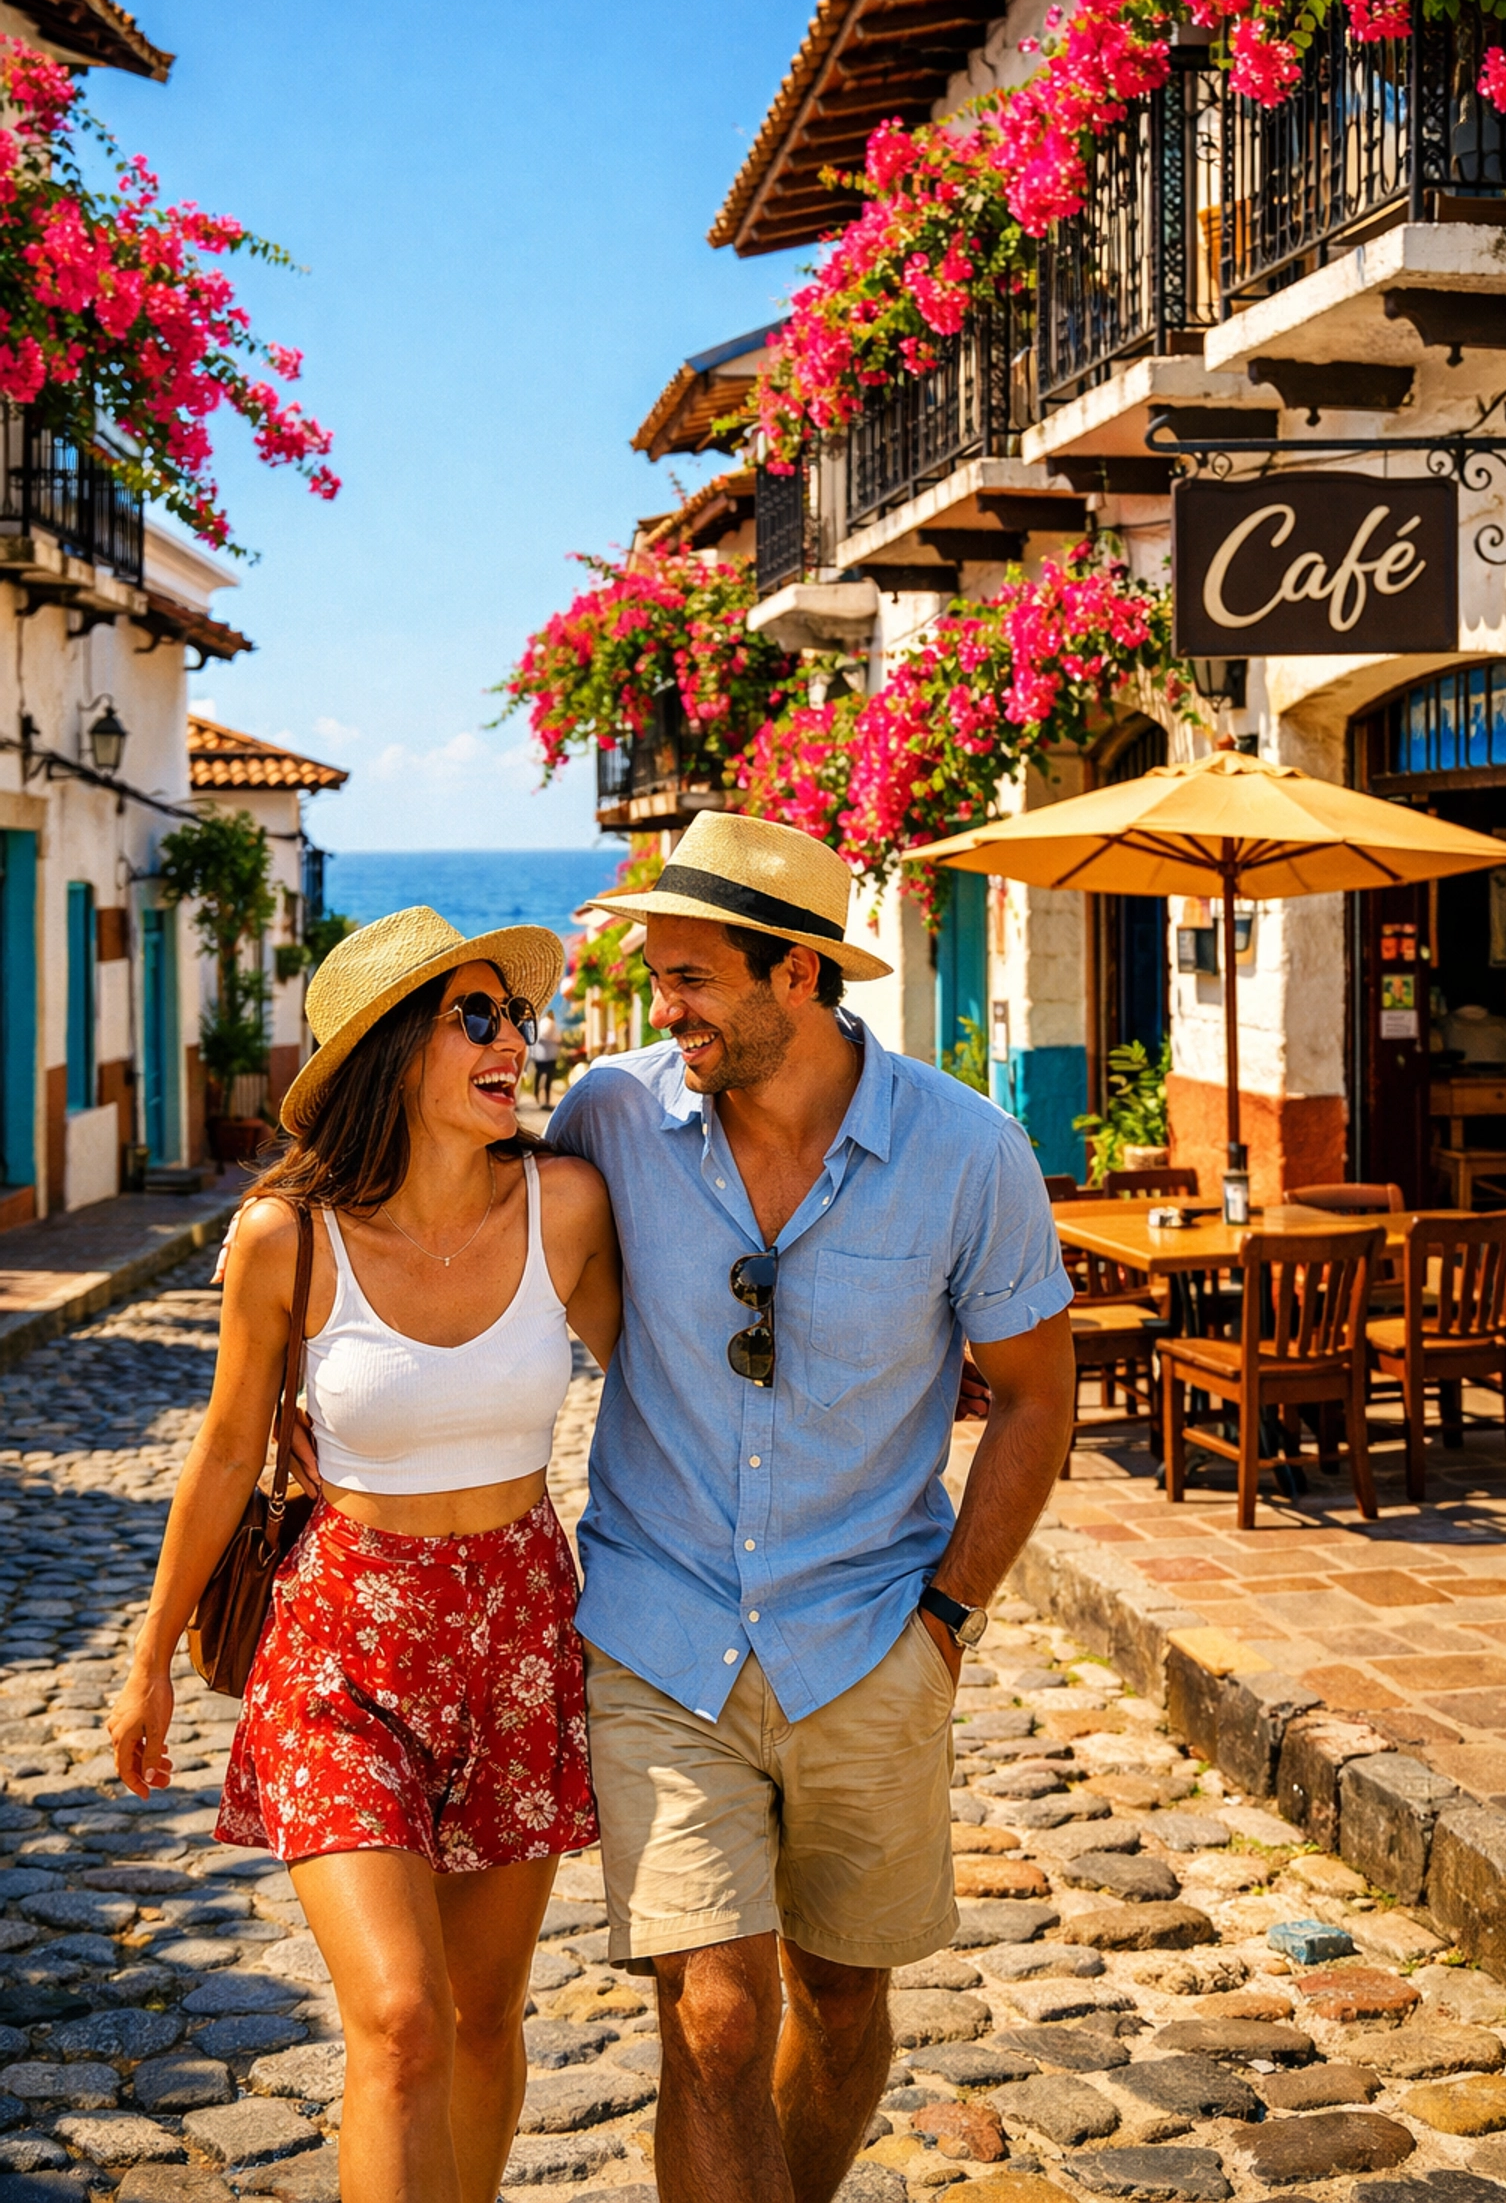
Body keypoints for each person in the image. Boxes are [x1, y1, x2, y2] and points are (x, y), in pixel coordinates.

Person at [546, 811, 1077, 2203]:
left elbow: (1036, 1397)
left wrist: (948, 1619)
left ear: (798, 977)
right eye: (658, 979)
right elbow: (474, 1229)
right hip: (660, 1634)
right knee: (715, 2016)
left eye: (694, 980)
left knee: (841, 2008)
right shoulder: (609, 1115)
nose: (668, 1012)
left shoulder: (970, 1154)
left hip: (869, 1640)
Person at [108, 906, 622, 2203]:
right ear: (394, 1053)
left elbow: (676, 1387)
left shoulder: (564, 1208)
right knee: (400, 2016)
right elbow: (228, 1453)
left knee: (482, 2020)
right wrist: (149, 1657)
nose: (517, 1038)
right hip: (345, 1646)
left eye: (515, 1013)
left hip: (519, 1638)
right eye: (479, 1018)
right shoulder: (291, 1240)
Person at [530, 1008, 562, 1108]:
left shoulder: (541, 1023)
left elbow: (538, 1037)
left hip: (541, 1055)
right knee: (548, 1077)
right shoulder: (552, 1024)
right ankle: (546, 1099)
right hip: (550, 1055)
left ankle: (537, 1095)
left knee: (539, 1075)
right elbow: (558, 1038)